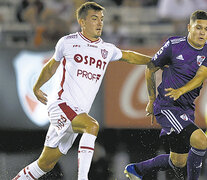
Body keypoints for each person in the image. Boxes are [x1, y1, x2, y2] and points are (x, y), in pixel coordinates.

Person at [13, 2, 151, 180]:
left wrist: (155, 60)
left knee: (45, 164)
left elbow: (129, 56)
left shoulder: (106, 49)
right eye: (94, 19)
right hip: (61, 105)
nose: (100, 23)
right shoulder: (68, 42)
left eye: (101, 19)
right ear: (82, 22)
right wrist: (36, 87)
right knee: (91, 126)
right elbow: (50, 67)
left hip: (77, 113)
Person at [124, 10, 207, 180]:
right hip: (167, 105)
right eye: (199, 28)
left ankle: (137, 169)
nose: (203, 32)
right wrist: (152, 100)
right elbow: (150, 68)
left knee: (178, 161)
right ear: (189, 27)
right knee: (201, 141)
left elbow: (200, 78)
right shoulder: (173, 45)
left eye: (206, 29)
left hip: (186, 108)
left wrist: (181, 91)